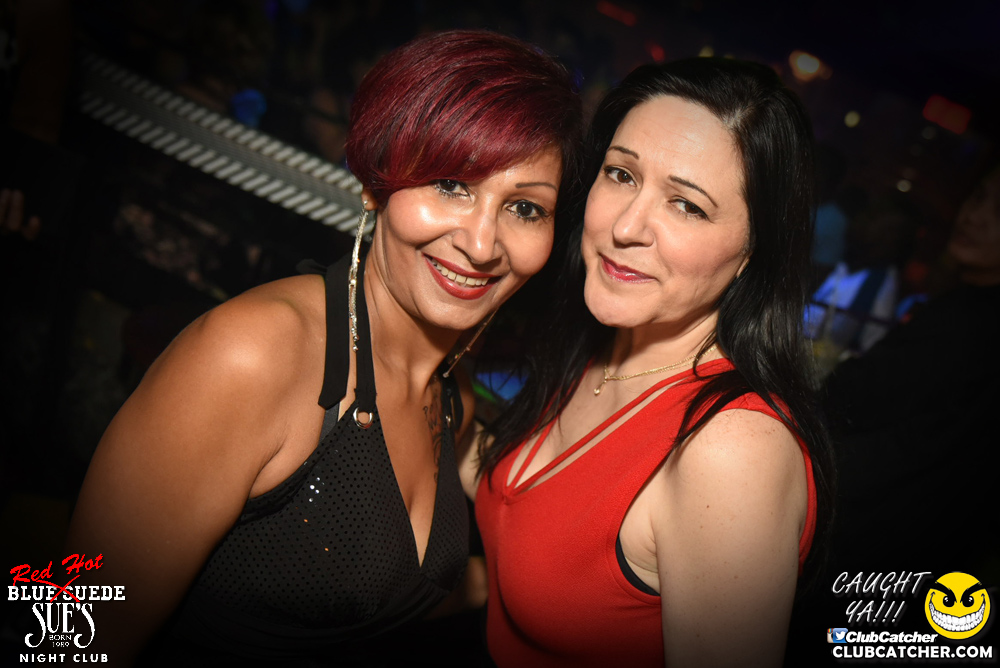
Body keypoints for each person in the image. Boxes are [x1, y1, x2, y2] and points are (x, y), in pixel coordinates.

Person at [65, 30, 581, 665]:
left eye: (525, 208)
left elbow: (366, 594)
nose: (481, 243)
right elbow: (67, 626)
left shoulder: (449, 398)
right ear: (374, 185)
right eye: (451, 183)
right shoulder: (255, 353)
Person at [471, 58, 833, 667]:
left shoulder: (731, 452)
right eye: (621, 174)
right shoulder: (605, 347)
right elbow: (534, 513)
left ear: (754, 250)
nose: (626, 226)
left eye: (687, 206)